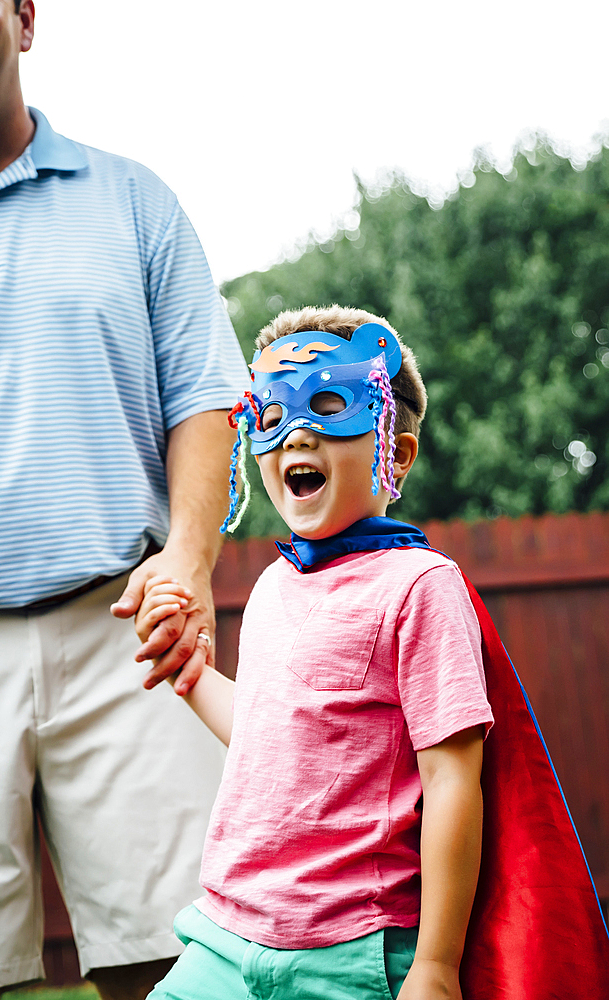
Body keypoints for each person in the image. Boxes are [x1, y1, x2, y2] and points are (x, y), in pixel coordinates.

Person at [0, 2, 247, 998]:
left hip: (130, 639)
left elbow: (207, 394)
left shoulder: (134, 200)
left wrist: (190, 558)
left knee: (185, 963)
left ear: (26, 19)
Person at [136, 306, 494, 1000]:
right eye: (271, 417)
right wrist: (189, 671)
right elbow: (271, 733)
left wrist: (436, 964)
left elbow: (452, 782)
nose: (297, 429)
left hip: (350, 953)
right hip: (225, 933)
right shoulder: (274, 585)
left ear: (393, 454)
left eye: (330, 406)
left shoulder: (419, 586)